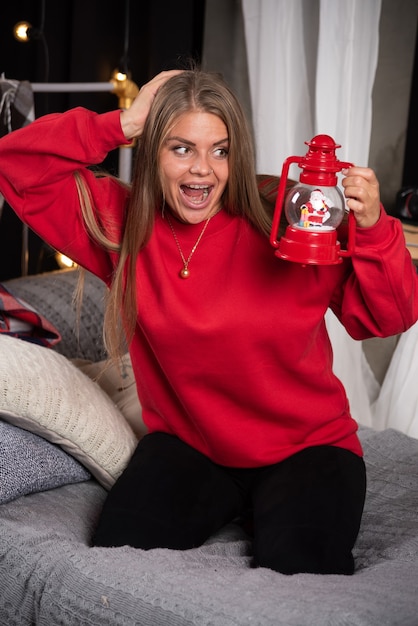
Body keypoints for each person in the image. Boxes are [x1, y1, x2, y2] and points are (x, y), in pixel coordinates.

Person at [0, 69, 416, 576]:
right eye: (181, 149)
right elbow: (15, 165)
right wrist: (122, 122)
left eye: (220, 150)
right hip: (192, 448)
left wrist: (374, 230)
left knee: (302, 574)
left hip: (307, 449)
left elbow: (387, 318)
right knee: (116, 559)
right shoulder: (124, 225)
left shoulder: (289, 216)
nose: (203, 171)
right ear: (152, 151)